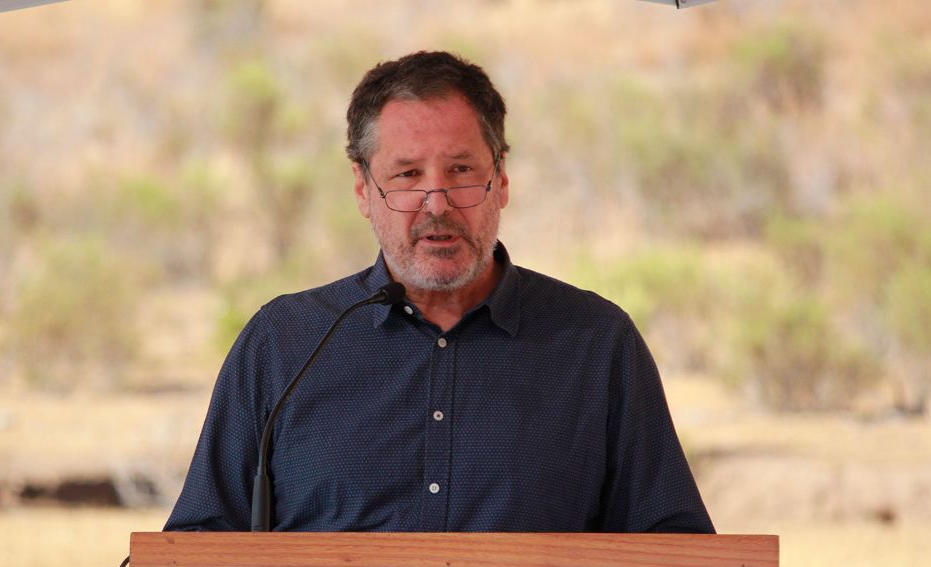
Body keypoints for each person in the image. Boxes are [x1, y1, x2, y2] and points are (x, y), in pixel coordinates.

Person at [164, 51, 714, 534]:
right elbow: (198, 546)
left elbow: (676, 558)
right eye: (406, 175)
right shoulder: (285, 343)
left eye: (461, 170)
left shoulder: (596, 345)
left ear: (500, 180)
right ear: (363, 189)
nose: (437, 203)